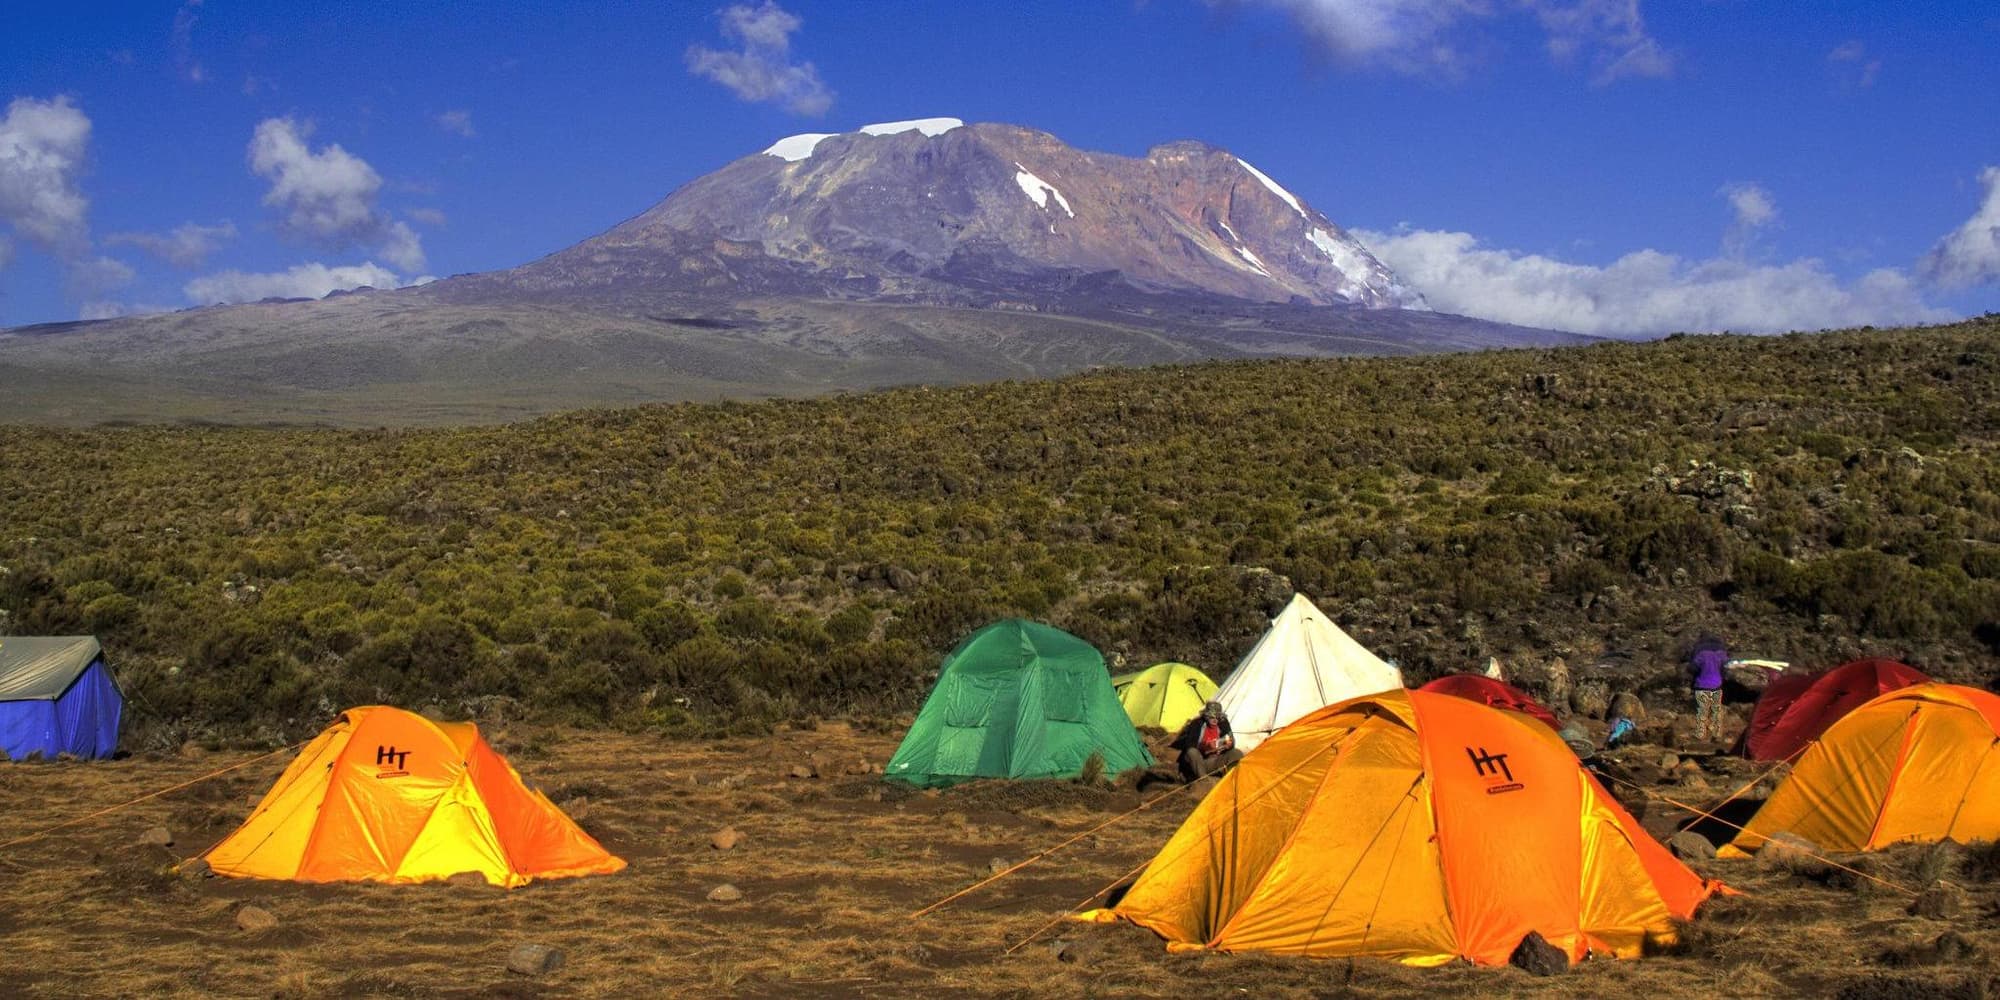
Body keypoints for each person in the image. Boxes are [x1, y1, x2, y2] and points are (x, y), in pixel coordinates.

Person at [1173, 701, 1242, 783]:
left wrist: (1229, 745)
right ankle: (1204, 781)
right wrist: (1206, 746)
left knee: (1237, 753)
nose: (1215, 720)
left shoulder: (1223, 722)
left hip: (1213, 761)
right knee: (1191, 752)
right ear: (1206, 716)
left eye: (1218, 717)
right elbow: (1189, 745)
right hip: (1199, 762)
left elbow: (1231, 739)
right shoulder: (1197, 723)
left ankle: (1230, 779)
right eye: (1212, 717)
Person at [1687, 634, 1729, 743]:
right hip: (1717, 685)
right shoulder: (1721, 654)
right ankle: (1717, 734)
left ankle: (1700, 734)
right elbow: (1726, 668)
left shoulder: (1701, 654)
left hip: (1702, 684)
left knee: (1702, 710)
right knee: (1716, 710)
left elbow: (1692, 668)